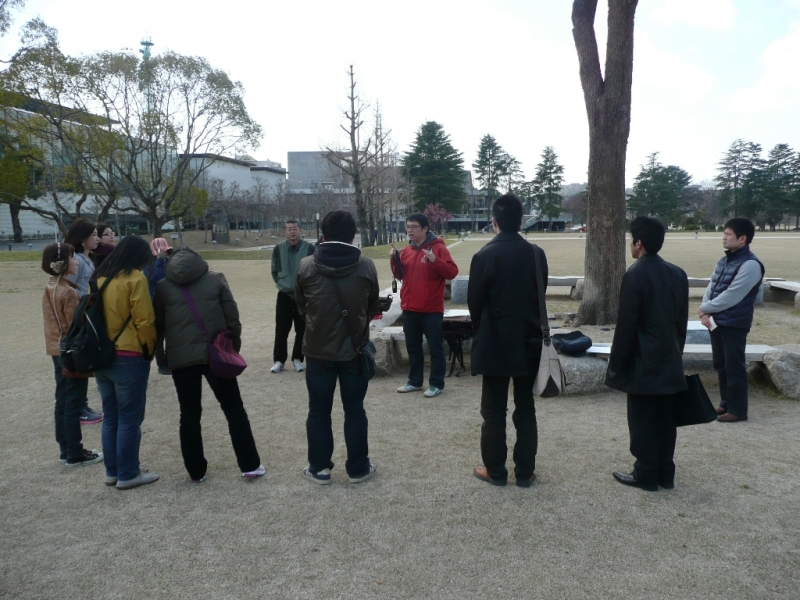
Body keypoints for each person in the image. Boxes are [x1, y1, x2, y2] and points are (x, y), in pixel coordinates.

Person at [154, 248, 265, 482]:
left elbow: (158, 326)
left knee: (189, 414)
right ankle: (250, 464)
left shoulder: (163, 287)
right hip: (215, 351)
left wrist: (162, 357)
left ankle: (196, 471)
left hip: (181, 357)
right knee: (234, 409)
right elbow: (232, 316)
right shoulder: (215, 279)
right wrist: (233, 346)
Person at [468, 194, 547, 487]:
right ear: (521, 220)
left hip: (495, 339)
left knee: (493, 409)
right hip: (529, 338)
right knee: (525, 408)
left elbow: (475, 304)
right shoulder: (536, 254)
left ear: (495, 221)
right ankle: (525, 471)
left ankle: (495, 470)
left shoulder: (484, 255)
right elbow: (540, 293)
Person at [295, 211, 380, 485]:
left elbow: (302, 307)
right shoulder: (366, 266)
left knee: (318, 411)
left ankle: (319, 467)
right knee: (355, 410)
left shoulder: (306, 266)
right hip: (354, 350)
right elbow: (371, 306)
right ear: (353, 236)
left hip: (318, 350)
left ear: (323, 235)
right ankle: (358, 468)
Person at [606, 216, 689, 492]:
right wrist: (676, 352)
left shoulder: (635, 275)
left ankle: (645, 472)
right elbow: (680, 323)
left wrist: (617, 364)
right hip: (669, 357)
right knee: (666, 419)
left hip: (642, 361)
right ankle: (665, 472)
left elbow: (626, 326)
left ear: (638, 243)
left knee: (641, 419)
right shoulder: (678, 274)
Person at [93, 236, 158, 490]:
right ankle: (129, 473)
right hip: (129, 354)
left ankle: (113, 471)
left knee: (111, 417)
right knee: (130, 418)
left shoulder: (100, 277)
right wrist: (149, 349)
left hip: (102, 355)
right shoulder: (135, 278)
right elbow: (144, 320)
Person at [41, 243, 103, 467]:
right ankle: (75, 452)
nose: (76, 261)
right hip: (70, 353)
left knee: (63, 401)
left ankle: (65, 450)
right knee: (74, 403)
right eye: (72, 258)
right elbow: (77, 326)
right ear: (62, 264)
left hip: (56, 349)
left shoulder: (50, 286)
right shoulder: (68, 292)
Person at [698, 218, 764, 423]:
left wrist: (705, 309)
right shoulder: (724, 260)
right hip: (717, 321)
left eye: (728, 234)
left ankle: (738, 410)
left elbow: (733, 295)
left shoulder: (751, 264)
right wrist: (705, 310)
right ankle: (726, 403)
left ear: (742, 239)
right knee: (721, 364)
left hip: (734, 324)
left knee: (734, 367)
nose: (724, 238)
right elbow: (711, 287)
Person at [389, 213, 458, 397]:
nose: (409, 231)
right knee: (413, 347)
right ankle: (414, 381)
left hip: (431, 309)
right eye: (407, 227)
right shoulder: (407, 250)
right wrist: (394, 259)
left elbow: (452, 272)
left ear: (425, 228)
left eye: (414, 227)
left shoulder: (438, 248)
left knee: (435, 348)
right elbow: (400, 275)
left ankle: (436, 384)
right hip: (409, 307)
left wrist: (435, 261)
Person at [64, 219, 104, 425]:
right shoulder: (78, 260)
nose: (98, 238)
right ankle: (79, 408)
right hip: (78, 317)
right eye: (94, 235)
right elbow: (69, 287)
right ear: (82, 239)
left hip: (85, 314)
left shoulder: (88, 258)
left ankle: (83, 405)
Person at [270, 219, 315, 373]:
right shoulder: (278, 249)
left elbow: (314, 270)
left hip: (303, 295)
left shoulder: (309, 248)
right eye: (289, 229)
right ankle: (279, 360)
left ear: (300, 230)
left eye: (295, 229)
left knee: (302, 329)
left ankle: (298, 359)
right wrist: (282, 284)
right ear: (285, 232)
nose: (292, 232)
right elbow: (274, 271)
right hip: (284, 295)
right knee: (281, 329)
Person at [144, 237, 172, 375]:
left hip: (169, 302)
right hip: (154, 303)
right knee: (158, 336)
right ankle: (162, 364)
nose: (165, 253)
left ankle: (171, 361)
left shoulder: (169, 262)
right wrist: (160, 261)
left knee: (171, 334)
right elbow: (156, 278)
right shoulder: (147, 264)